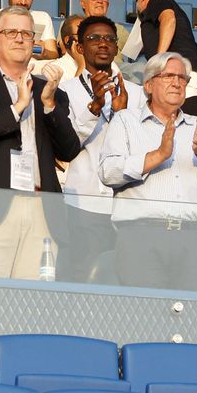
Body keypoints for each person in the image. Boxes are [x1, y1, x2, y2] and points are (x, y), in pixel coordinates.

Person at [0, 6, 80, 280]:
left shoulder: (50, 90)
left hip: (41, 208)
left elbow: (70, 150)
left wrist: (48, 105)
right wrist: (17, 107)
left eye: (27, 33)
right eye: (11, 32)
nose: (20, 38)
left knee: (32, 308)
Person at [99, 52, 197, 291]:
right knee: (145, 319)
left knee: (190, 319)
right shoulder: (126, 121)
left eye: (183, 78)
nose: (177, 82)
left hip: (194, 240)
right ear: (148, 84)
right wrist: (158, 155)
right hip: (141, 237)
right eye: (169, 76)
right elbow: (108, 172)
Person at [62, 15, 143, 282]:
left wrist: (122, 115)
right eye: (94, 38)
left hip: (127, 204)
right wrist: (95, 107)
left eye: (109, 38)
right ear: (79, 47)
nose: (103, 43)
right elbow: (65, 146)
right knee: (81, 277)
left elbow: (143, 147)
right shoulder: (67, 91)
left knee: (127, 280)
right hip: (83, 201)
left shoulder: (137, 94)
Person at [128, 0, 197, 93]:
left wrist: (159, 60)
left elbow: (169, 19)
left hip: (184, 75)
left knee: (180, 110)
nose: (136, 2)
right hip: (186, 75)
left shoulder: (158, 0)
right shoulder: (148, 19)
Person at [77, 0, 128, 64]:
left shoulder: (118, 29)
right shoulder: (72, 25)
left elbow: (137, 49)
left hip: (118, 70)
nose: (100, 1)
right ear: (83, 3)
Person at [46, 14, 83, 79]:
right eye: (80, 35)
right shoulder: (54, 69)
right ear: (67, 40)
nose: (85, 39)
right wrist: (82, 66)